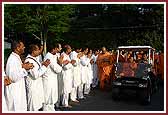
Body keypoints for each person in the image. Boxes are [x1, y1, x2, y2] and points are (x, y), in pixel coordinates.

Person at [5, 40, 34, 111]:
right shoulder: (12, 59)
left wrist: (24, 66)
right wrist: (24, 68)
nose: (24, 47)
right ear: (17, 48)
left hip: (18, 91)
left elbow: (18, 70)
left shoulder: (16, 57)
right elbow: (13, 77)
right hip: (15, 94)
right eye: (22, 46)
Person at [24, 44, 50, 111]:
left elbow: (37, 69)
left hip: (37, 86)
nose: (39, 51)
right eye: (38, 50)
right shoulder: (29, 61)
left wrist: (43, 65)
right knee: (33, 107)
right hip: (33, 86)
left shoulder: (34, 59)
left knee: (37, 105)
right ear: (33, 51)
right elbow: (35, 75)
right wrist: (45, 66)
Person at [42, 43, 62, 111]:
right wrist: (60, 63)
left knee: (52, 98)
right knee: (47, 98)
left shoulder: (53, 56)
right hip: (48, 81)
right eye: (59, 47)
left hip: (52, 80)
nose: (60, 49)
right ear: (54, 48)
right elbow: (57, 69)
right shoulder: (49, 57)